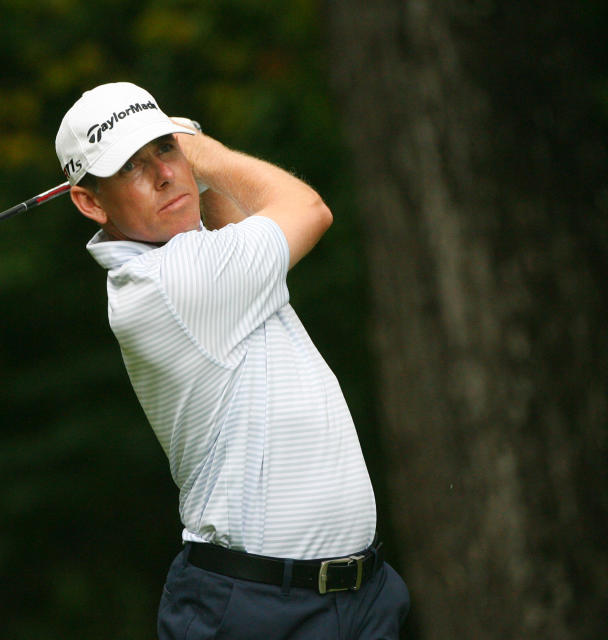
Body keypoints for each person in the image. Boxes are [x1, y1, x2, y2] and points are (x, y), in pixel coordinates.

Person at [55, 82, 410, 639]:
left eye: (163, 151)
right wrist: (205, 153)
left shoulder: (198, 260)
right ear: (90, 201)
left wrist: (192, 171)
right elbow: (308, 210)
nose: (164, 174)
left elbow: (234, 228)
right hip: (259, 611)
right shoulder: (171, 284)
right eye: (130, 167)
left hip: (358, 599)